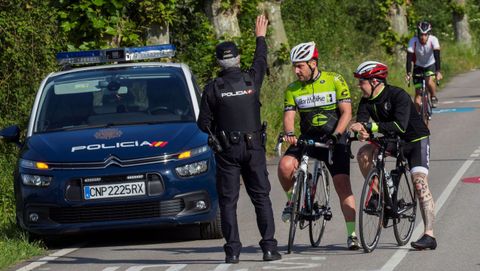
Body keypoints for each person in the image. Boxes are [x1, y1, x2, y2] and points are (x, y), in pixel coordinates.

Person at [197, 15, 281, 264]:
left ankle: (232, 251)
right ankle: (268, 248)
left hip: (227, 151)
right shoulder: (251, 79)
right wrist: (260, 37)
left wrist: (219, 132)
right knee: (261, 197)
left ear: (218, 62)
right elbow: (261, 59)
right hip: (254, 147)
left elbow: (202, 123)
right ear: (238, 59)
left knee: (228, 202)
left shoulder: (213, 87)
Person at [277, 41, 359, 250]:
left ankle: (352, 234)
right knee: (285, 166)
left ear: (313, 63)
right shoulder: (293, 89)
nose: (296, 71)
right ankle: (291, 202)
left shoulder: (334, 80)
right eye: (294, 66)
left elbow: (347, 113)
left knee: (342, 185)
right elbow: (289, 115)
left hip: (334, 139)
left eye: (300, 66)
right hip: (308, 139)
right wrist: (290, 134)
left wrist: (337, 135)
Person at [350, 61, 437, 250]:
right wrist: (360, 133)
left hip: (415, 140)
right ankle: (380, 196)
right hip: (392, 139)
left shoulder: (398, 96)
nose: (359, 86)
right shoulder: (366, 100)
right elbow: (362, 122)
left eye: (362, 81)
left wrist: (369, 127)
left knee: (419, 182)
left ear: (374, 81)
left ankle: (429, 235)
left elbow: (400, 126)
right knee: (364, 154)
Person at [405, 21, 443, 109]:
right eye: (421, 34)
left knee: (429, 81)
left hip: (430, 64)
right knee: (418, 92)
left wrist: (438, 71)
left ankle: (433, 96)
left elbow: (437, 56)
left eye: (425, 35)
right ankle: (418, 117)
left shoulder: (433, 40)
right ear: (418, 34)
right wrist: (408, 73)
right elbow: (409, 59)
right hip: (418, 66)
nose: (423, 37)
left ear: (428, 34)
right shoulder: (413, 41)